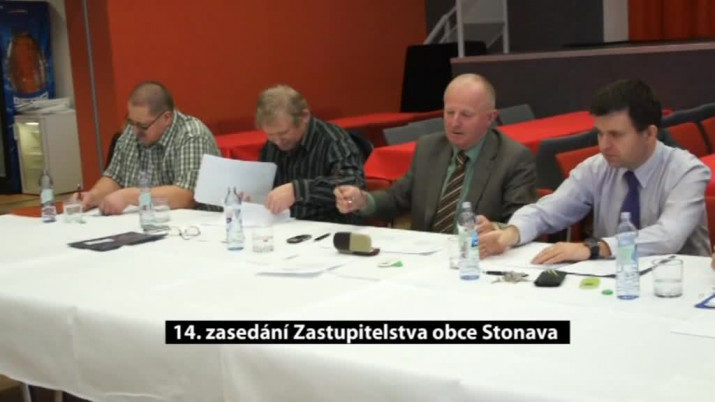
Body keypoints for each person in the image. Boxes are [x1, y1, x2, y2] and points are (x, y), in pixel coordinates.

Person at [480, 79, 711, 263]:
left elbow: (668, 236)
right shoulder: (596, 167)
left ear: (649, 134)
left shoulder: (687, 171)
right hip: (612, 279)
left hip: (677, 283)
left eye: (616, 135)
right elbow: (548, 211)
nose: (604, 145)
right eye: (600, 133)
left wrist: (594, 248)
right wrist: (510, 233)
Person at [334, 73, 537, 233]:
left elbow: (522, 223)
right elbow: (396, 199)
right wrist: (363, 200)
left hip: (477, 256)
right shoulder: (429, 148)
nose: (455, 122)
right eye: (449, 113)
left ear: (490, 117)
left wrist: (495, 229)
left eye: (466, 115)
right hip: (427, 255)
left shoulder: (513, 158)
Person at [76, 81, 220, 214]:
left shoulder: (191, 135)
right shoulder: (133, 130)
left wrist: (130, 196)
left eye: (143, 126)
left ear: (167, 118)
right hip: (147, 221)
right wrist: (93, 195)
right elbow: (114, 178)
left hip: (195, 225)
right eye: (131, 122)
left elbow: (186, 196)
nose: (135, 130)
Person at [256, 84, 365, 223]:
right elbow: (265, 185)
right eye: (270, 135)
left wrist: (299, 190)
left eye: (283, 133)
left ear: (304, 117)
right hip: (285, 223)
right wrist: (253, 196)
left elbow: (352, 183)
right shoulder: (271, 146)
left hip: (330, 225)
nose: (277, 141)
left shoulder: (333, 140)